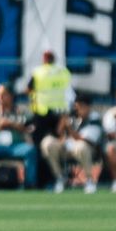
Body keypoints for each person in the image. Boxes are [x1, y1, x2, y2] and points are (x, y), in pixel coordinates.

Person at [26, 50, 72, 188]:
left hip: (42, 113)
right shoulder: (63, 72)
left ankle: (43, 180)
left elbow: (29, 89)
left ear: (44, 59)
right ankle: (58, 178)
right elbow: (68, 91)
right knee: (55, 146)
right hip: (59, 113)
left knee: (41, 148)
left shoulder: (39, 72)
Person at [0, 85, 35, 189]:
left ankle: (29, 183)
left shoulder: (21, 111)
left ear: (10, 96)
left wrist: (12, 124)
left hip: (17, 145)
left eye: (3, 95)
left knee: (30, 151)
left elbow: (30, 128)